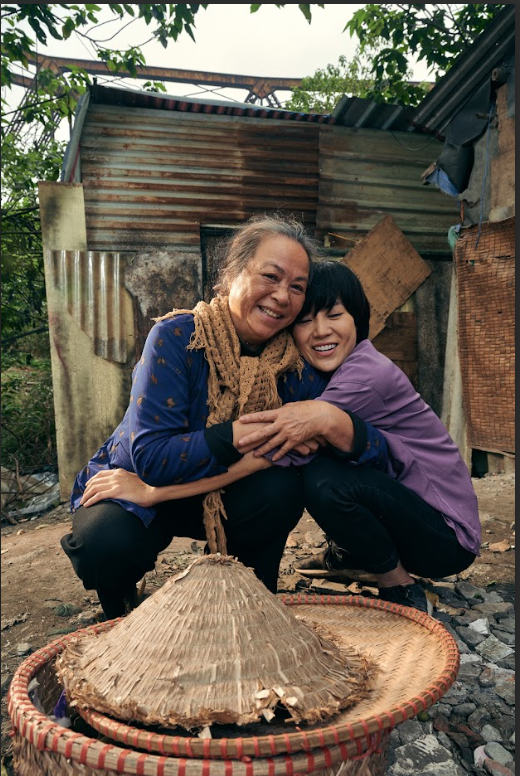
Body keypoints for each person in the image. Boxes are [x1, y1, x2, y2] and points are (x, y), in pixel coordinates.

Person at [63, 217, 386, 619]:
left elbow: (319, 446)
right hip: (135, 484)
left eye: (297, 287)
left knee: (283, 486)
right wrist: (239, 433)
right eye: (271, 276)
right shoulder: (178, 337)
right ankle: (119, 605)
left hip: (227, 490)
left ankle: (252, 594)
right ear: (232, 274)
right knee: (105, 543)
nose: (282, 296)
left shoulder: (295, 361)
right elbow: (151, 458)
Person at [234, 261, 481, 614]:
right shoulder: (331, 373)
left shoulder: (366, 376)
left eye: (334, 315)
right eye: (304, 320)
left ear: (357, 319)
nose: (320, 331)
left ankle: (398, 586)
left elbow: (280, 447)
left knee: (323, 479)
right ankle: (351, 556)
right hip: (416, 519)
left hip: (447, 537)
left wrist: (163, 487)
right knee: (329, 461)